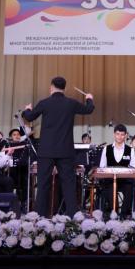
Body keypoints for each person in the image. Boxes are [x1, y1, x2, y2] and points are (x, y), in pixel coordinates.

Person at [21, 76, 94, 217]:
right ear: (64, 88)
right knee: (68, 185)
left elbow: (29, 117)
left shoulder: (44, 103)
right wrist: (89, 98)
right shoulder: (71, 103)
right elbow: (89, 109)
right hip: (65, 151)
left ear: (51, 87)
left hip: (46, 151)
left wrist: (27, 109)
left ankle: (40, 216)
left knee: (43, 184)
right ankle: (72, 216)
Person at [98, 124, 135, 216]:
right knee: (109, 187)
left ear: (126, 136)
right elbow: (102, 167)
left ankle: (123, 214)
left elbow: (134, 167)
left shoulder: (130, 150)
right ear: (114, 134)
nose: (119, 137)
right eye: (117, 134)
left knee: (129, 187)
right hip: (110, 180)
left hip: (125, 180)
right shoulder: (106, 149)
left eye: (122, 134)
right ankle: (114, 213)